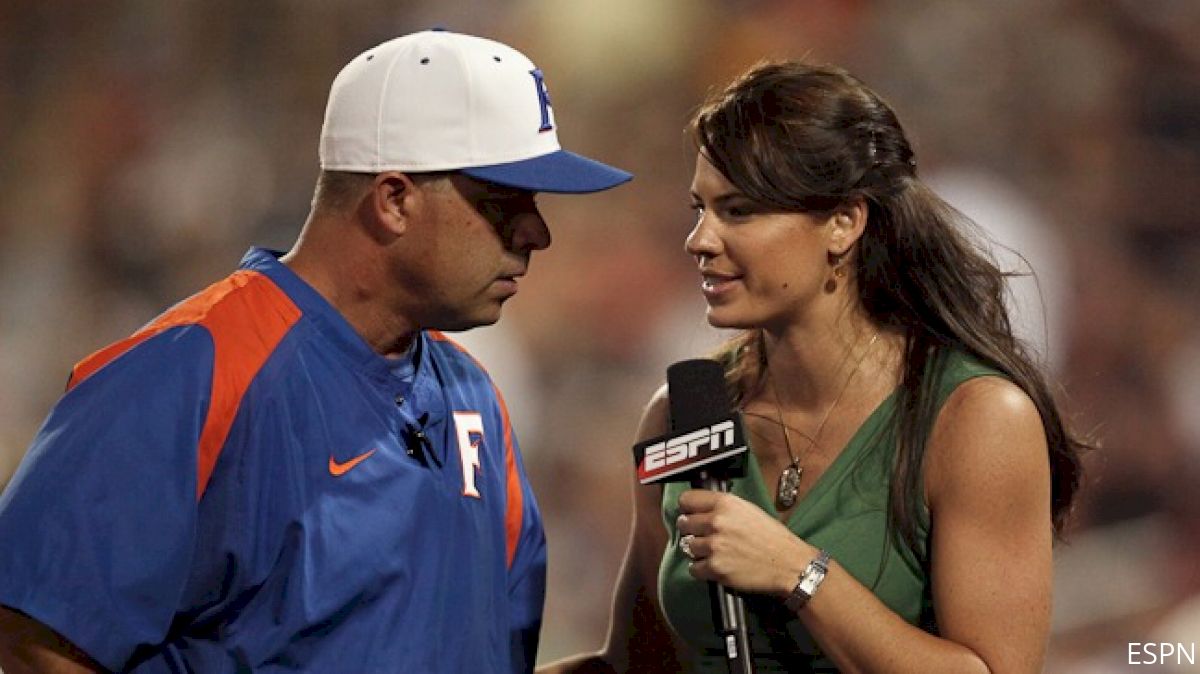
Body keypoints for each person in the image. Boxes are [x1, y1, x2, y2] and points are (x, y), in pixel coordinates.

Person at [0, 29, 630, 673]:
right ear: (394, 200)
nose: (537, 232)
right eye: (503, 202)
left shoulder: (475, 399)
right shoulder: (196, 368)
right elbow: (39, 638)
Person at [541, 61, 1084, 673]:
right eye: (701, 208)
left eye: (739, 211)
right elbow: (636, 664)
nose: (700, 239)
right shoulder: (682, 412)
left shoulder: (976, 418)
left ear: (844, 222)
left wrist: (798, 572)